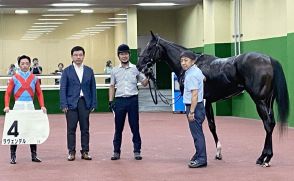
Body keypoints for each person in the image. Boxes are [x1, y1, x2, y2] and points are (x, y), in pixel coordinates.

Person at [3, 55, 47, 164]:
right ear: (19, 65)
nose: (25, 65)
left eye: (27, 63)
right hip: (18, 106)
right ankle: (13, 156)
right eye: (22, 63)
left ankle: (34, 155)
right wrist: (7, 105)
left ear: (29, 64)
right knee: (14, 133)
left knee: (32, 130)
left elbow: (39, 93)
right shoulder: (14, 78)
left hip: (30, 106)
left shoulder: (34, 78)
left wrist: (42, 105)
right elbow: (8, 93)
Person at [109, 44, 149, 160]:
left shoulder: (136, 69)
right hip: (120, 101)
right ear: (118, 56)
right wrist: (110, 101)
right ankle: (116, 151)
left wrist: (148, 75)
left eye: (126, 53)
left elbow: (144, 83)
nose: (124, 56)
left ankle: (137, 151)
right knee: (118, 128)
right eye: (121, 54)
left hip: (133, 100)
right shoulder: (114, 71)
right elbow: (112, 86)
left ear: (129, 55)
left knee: (135, 126)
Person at [60, 46, 97, 161]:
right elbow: (63, 88)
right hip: (71, 104)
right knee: (71, 129)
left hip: (84, 103)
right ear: (72, 56)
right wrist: (63, 104)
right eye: (76, 55)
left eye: (80, 55)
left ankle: (85, 151)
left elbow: (93, 88)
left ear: (84, 56)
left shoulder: (89, 70)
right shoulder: (66, 71)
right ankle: (71, 152)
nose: (78, 57)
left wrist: (93, 103)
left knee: (85, 129)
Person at [180, 50, 207, 168]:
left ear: (193, 61)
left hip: (194, 107)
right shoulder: (196, 70)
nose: (183, 63)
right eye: (181, 60)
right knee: (197, 132)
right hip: (199, 106)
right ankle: (199, 154)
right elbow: (204, 78)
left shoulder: (191, 75)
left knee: (197, 134)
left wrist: (191, 112)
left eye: (186, 60)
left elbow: (194, 95)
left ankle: (201, 159)